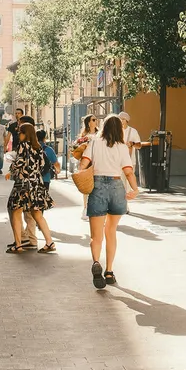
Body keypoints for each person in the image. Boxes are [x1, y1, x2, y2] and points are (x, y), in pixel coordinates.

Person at [79, 114, 138, 288]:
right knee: (111, 231)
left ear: (103, 127)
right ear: (119, 129)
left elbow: (83, 164)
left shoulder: (94, 143)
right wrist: (135, 189)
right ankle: (109, 271)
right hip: (116, 186)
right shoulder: (121, 147)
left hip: (97, 187)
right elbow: (128, 171)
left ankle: (96, 262)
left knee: (96, 236)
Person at [5, 123, 56, 254]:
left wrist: (11, 170)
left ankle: (18, 244)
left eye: (20, 133)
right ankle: (49, 242)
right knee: (37, 213)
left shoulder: (23, 146)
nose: (19, 135)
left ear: (24, 134)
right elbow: (43, 164)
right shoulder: (38, 147)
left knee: (15, 210)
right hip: (36, 183)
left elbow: (20, 161)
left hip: (23, 183)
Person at [72, 114, 99, 221]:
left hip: (97, 161)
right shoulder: (83, 136)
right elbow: (76, 148)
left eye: (96, 119)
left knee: (97, 185)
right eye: (93, 119)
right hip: (86, 162)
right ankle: (85, 208)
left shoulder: (100, 134)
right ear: (88, 122)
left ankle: (96, 208)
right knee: (86, 186)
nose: (95, 121)